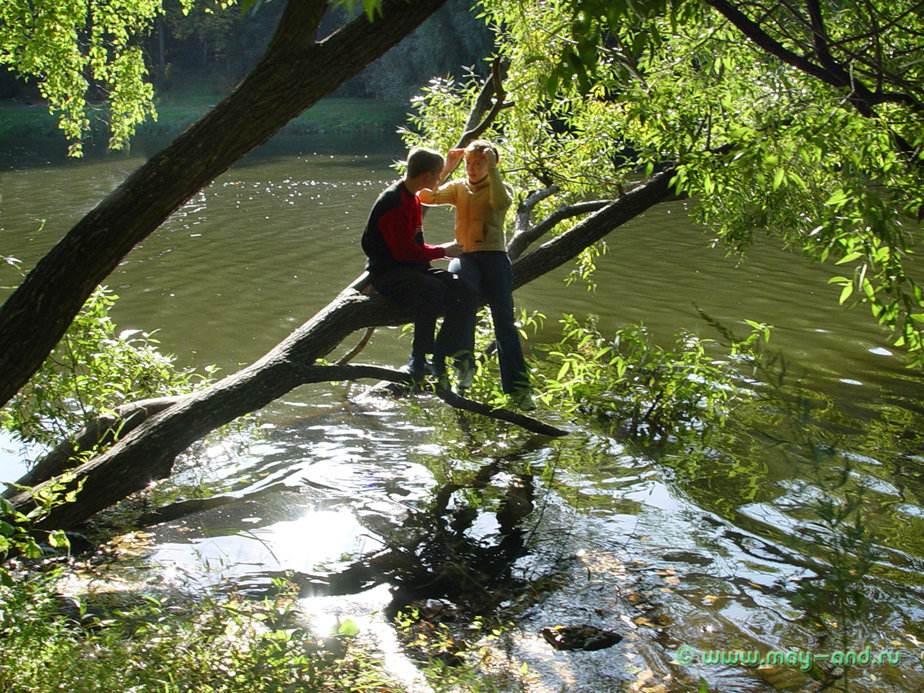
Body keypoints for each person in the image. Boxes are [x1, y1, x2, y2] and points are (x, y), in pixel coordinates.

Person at [418, 140, 536, 410]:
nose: (471, 169)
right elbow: (427, 196)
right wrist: (448, 167)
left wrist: (492, 168)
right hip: (465, 256)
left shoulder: (501, 186)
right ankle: (464, 363)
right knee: (461, 296)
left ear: (491, 165)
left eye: (478, 164)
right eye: (469, 163)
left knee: (504, 322)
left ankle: (519, 390)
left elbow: (500, 203)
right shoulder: (459, 187)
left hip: (494, 257)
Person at [361, 147, 476, 382]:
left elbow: (411, 252)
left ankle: (441, 355)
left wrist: (438, 255)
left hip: (411, 268)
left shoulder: (411, 196)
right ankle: (418, 359)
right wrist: (443, 251)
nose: (438, 179)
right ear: (426, 176)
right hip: (387, 272)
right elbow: (403, 253)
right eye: (437, 175)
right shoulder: (394, 201)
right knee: (432, 289)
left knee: (465, 291)